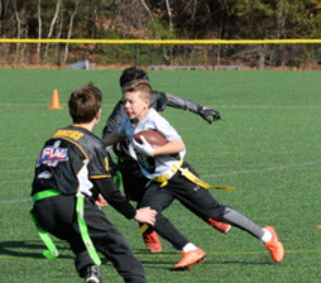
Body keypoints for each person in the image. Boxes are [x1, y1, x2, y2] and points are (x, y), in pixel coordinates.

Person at [104, 80, 284, 269]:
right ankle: (190, 250)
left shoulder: (155, 121)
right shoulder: (129, 120)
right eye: (125, 101)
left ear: (145, 103)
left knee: (215, 212)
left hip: (179, 176)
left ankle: (267, 236)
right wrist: (99, 145)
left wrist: (154, 152)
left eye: (131, 102)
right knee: (147, 213)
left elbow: (179, 145)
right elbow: (119, 134)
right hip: (158, 182)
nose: (126, 106)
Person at [30, 83, 167, 283]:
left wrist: (93, 193)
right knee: (116, 244)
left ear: (71, 111)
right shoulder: (92, 142)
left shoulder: (54, 137)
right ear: (98, 113)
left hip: (41, 208)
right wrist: (134, 213)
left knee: (78, 236)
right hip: (69, 203)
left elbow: (64, 171)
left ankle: (90, 269)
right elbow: (109, 190)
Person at [103, 66, 221, 256]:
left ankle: (211, 216)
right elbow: (107, 140)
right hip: (132, 165)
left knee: (184, 185)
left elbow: (170, 99)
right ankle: (149, 232)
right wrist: (109, 167)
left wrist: (199, 109)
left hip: (156, 158)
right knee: (144, 205)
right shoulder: (120, 114)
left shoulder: (153, 96)